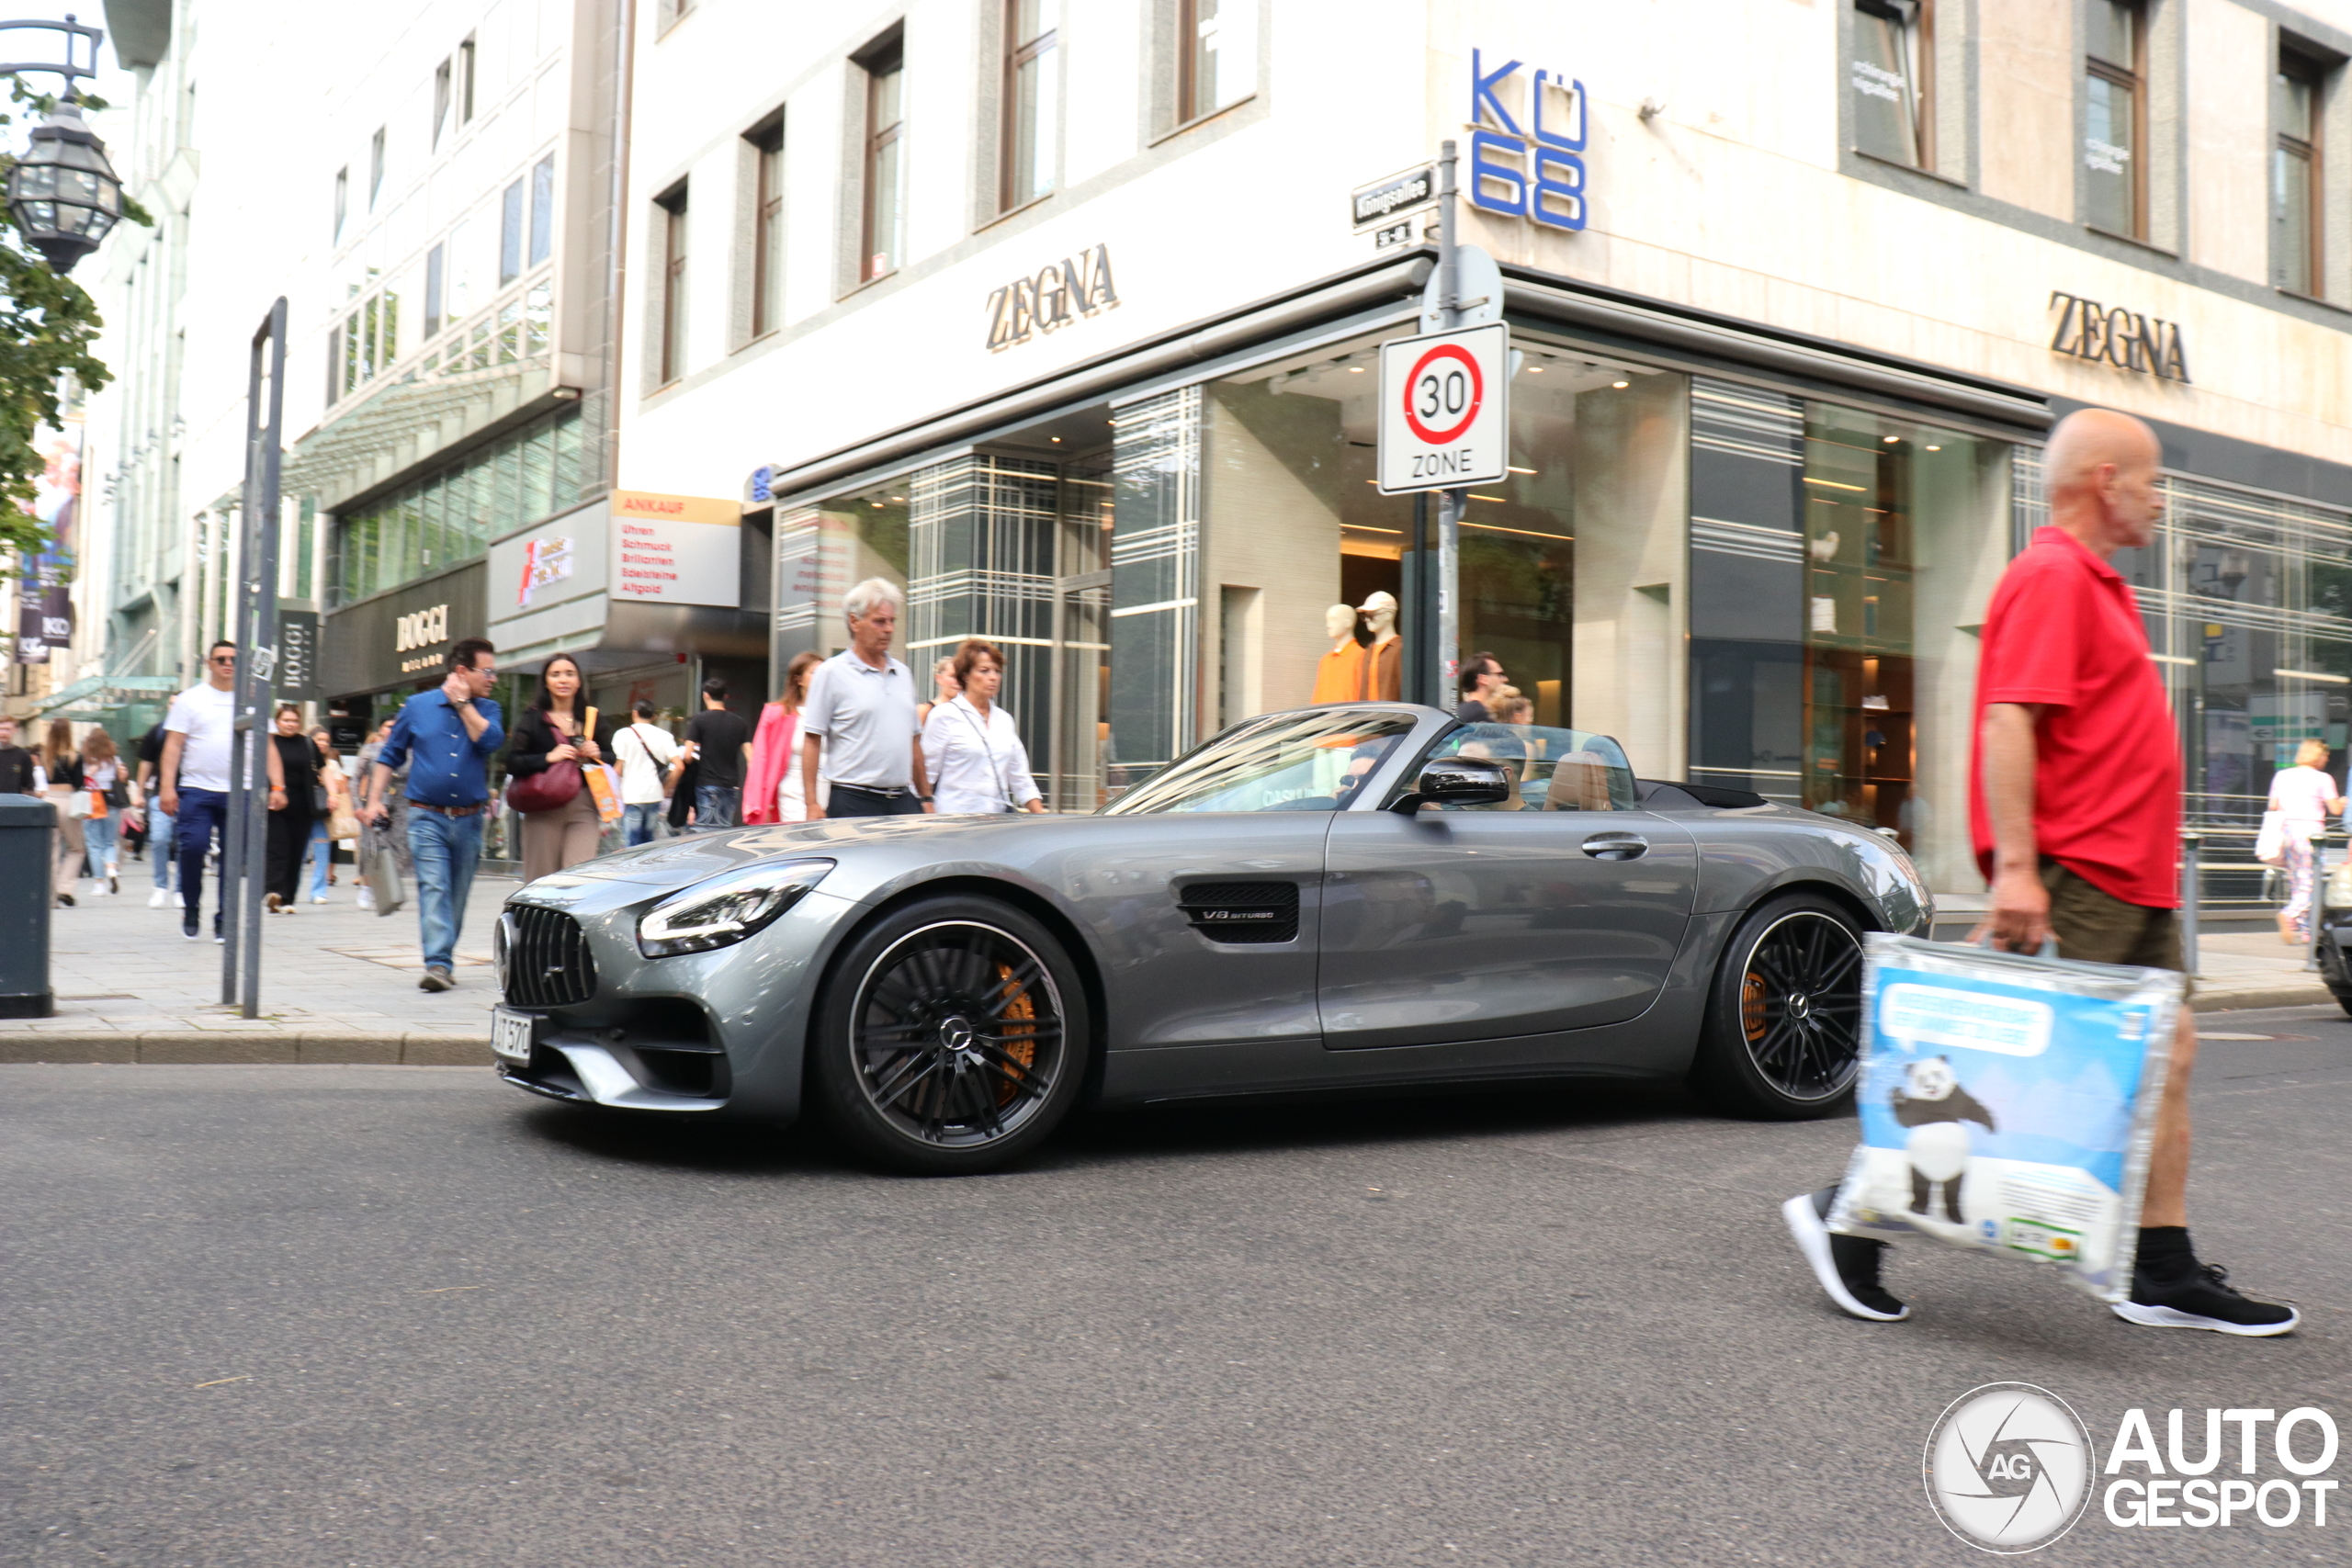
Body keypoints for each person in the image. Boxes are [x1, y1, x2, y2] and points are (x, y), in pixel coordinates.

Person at [1782, 406, 2297, 1337]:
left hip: (2131, 877)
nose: (2158, 498)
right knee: (2034, 1080)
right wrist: (2016, 868)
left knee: (2161, 1057)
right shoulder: (2051, 575)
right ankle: (1845, 1217)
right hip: (2080, 869)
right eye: (2149, 480)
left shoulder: (2099, 585)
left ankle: (2160, 1268)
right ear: (2103, 480)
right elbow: (2005, 721)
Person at [361, 637, 504, 992]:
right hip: (426, 817)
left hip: (470, 820)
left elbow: (489, 742)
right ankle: (438, 964)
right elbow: (390, 755)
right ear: (461, 670)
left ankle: (442, 955)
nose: (493, 678)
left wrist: (463, 704)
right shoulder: (416, 706)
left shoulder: (488, 709)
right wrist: (374, 800)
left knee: (457, 895)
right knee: (435, 887)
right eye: (486, 671)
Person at [799, 579, 935, 819]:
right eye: (879, 621)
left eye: (892, 621)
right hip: (853, 800)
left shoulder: (902, 673)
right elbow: (812, 739)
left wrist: (925, 798)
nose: (889, 629)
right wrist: (812, 803)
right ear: (854, 621)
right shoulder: (831, 673)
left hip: (902, 800)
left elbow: (914, 741)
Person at [159, 640, 241, 941]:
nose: (227, 664)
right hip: (195, 789)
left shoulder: (251, 700)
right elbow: (173, 746)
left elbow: (266, 746)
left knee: (233, 858)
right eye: (221, 659)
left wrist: (276, 786)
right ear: (209, 663)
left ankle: (225, 919)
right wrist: (168, 787)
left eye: (233, 658)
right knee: (193, 847)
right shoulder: (189, 700)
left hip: (239, 790)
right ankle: (191, 906)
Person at [503, 653, 605, 880]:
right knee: (541, 881)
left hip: (584, 806)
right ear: (546, 682)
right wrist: (548, 757)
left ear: (579, 681)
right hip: (543, 806)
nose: (563, 680)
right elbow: (513, 762)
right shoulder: (533, 719)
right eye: (555, 674)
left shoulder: (591, 718)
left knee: (579, 879)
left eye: (569, 674)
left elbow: (613, 757)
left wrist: (598, 754)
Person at [922, 639, 1047, 816]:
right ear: (965, 675)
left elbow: (1021, 778)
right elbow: (926, 776)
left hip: (996, 821)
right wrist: (928, 816)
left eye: (997, 671)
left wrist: (1041, 818)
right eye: (984, 670)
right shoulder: (944, 715)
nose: (993, 677)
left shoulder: (1004, 720)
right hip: (954, 819)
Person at [2267, 739, 2344, 944]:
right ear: (2317, 756)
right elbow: (2335, 809)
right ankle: (2290, 914)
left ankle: (2307, 930)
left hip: (2287, 832)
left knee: (2298, 882)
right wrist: (2344, 801)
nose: (2326, 760)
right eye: (2325, 756)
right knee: (2313, 884)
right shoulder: (2323, 778)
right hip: (2311, 835)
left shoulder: (2282, 775)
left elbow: (2273, 806)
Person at [260, 704, 318, 915]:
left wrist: (333, 795)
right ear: (277, 722)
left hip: (303, 804)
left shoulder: (307, 743)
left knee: (296, 852)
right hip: (274, 803)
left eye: (294, 721)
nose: (290, 724)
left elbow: (322, 769)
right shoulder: (270, 742)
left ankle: (288, 898)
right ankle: (273, 891)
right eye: (286, 720)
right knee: (277, 848)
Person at [682, 675, 752, 830]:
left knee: (706, 832)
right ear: (725, 697)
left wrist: (692, 764)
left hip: (707, 784)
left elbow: (687, 755)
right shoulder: (740, 723)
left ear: (705, 695)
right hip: (731, 786)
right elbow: (751, 758)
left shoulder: (699, 720)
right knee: (723, 832)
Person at [354, 718, 409, 913]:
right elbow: (356, 779)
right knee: (371, 847)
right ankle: (366, 887)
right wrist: (358, 805)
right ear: (381, 729)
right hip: (375, 804)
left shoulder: (410, 751)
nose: (393, 730)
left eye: (397, 727)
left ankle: (390, 890)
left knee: (399, 849)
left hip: (402, 805)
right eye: (388, 726)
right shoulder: (370, 749)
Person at [609, 699, 681, 847]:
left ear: (634, 713)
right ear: (653, 717)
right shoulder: (665, 736)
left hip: (631, 796)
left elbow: (617, 769)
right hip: (655, 795)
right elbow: (679, 766)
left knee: (632, 845)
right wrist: (666, 788)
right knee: (648, 843)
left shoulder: (623, 734)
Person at [76, 727, 136, 896]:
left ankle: (99, 884)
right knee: (109, 842)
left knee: (94, 845)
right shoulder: (114, 760)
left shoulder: (85, 761)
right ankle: (111, 869)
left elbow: (81, 781)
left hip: (93, 804)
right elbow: (122, 780)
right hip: (112, 803)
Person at [770, 651, 827, 822]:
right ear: (799, 679)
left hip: (829, 787)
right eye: (814, 672)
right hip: (794, 788)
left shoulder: (833, 713)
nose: (820, 677)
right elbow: (764, 759)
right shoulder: (781, 714)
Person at [40, 719, 86, 907]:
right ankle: (65, 888)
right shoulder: (75, 757)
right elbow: (78, 783)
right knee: (76, 848)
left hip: (49, 800)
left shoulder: (45, 756)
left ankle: (51, 898)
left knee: (51, 851)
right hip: (68, 802)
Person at [304, 728, 352, 902]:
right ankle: (287, 889)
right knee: (296, 854)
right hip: (301, 811)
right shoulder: (302, 758)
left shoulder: (331, 764)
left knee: (322, 851)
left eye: (326, 740)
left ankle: (318, 892)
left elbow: (341, 786)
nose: (323, 743)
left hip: (323, 813)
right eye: (319, 740)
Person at [135, 717, 176, 908]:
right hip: (160, 794)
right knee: (159, 838)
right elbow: (146, 762)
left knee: (187, 843)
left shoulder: (197, 729)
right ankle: (160, 886)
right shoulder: (158, 730)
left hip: (191, 792)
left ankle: (182, 889)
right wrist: (140, 793)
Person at [1455, 652, 1507, 722]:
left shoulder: (1461, 710)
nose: (1505, 679)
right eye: (1499, 674)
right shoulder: (1482, 714)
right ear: (1483, 679)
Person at [0, 715, 41, 794]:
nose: (3, 733)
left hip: (15, 802)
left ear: (15, 730)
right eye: (1, 729)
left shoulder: (22, 755)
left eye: (7, 729)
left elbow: (28, 784)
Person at [916, 656, 959, 728]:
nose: (958, 681)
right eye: (953, 676)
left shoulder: (966, 712)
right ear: (939, 678)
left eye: (961, 677)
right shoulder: (925, 710)